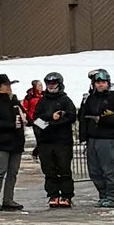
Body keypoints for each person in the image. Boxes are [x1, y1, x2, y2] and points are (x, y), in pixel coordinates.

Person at [77, 68, 114, 209]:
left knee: (109, 169)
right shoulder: (90, 98)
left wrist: (103, 119)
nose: (100, 85)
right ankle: (104, 194)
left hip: (108, 138)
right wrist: (83, 137)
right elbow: (83, 117)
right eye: (98, 82)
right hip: (92, 138)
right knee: (95, 170)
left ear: (108, 83)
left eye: (103, 82)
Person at [32, 70, 78, 207]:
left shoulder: (65, 100)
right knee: (49, 170)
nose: (51, 86)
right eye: (48, 83)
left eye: (53, 83)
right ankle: (53, 195)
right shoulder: (42, 101)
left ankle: (66, 195)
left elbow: (71, 117)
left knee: (64, 169)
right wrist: (50, 120)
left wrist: (55, 122)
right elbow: (36, 119)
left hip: (62, 141)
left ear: (59, 84)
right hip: (45, 141)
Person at [0, 73, 27, 210]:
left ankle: (8, 199)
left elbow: (24, 116)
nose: (9, 87)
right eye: (6, 85)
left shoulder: (14, 102)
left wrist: (25, 118)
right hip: (2, 142)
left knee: (13, 172)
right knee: (0, 171)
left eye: (9, 85)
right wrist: (11, 124)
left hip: (17, 142)